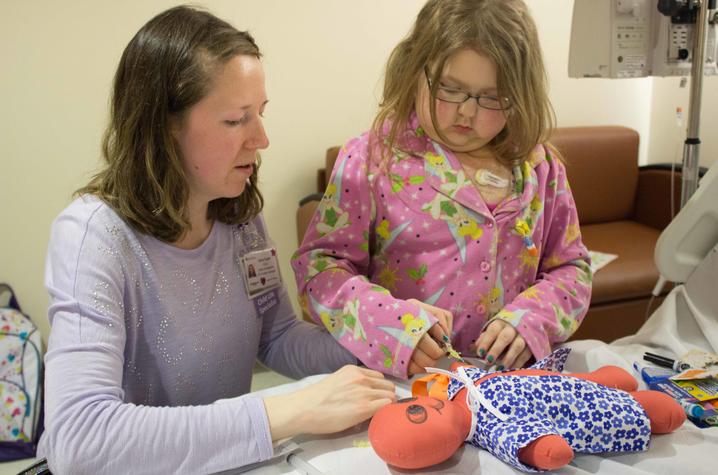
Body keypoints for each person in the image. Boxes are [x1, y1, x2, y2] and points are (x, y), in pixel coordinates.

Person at [38, 6, 395, 474]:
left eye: (261, 114)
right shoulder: (92, 238)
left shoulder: (239, 215)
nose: (262, 139)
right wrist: (287, 412)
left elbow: (280, 336)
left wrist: (388, 338)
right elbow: (80, 441)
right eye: (236, 120)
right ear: (163, 125)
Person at [292, 0, 592, 379]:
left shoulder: (539, 167)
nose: (467, 112)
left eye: (492, 96)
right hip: (406, 385)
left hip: (512, 383)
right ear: (415, 69)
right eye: (449, 89)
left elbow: (572, 268)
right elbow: (319, 270)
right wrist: (392, 324)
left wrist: (535, 317)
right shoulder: (370, 160)